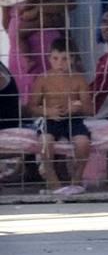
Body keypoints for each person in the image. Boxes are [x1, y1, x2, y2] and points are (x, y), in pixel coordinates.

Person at [26, 37, 93, 196]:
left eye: (65, 59)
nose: (60, 63)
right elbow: (31, 107)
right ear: (49, 59)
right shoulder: (43, 79)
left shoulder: (78, 79)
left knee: (83, 142)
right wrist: (48, 111)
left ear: (73, 59)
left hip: (73, 120)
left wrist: (75, 107)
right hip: (50, 120)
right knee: (45, 142)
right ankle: (53, 183)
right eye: (55, 59)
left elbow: (90, 109)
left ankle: (76, 181)